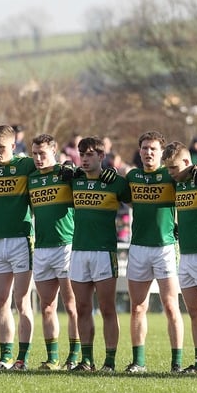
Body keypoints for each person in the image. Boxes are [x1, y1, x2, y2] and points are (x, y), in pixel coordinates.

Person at [123, 131, 184, 373]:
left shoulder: (171, 176)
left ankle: (177, 363)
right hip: (138, 247)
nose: (148, 153)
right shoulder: (132, 177)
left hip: (165, 248)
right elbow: (125, 199)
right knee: (138, 307)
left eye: (153, 149)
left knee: (171, 306)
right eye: (145, 148)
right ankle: (138, 362)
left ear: (161, 153)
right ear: (139, 152)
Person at [69, 136, 131, 372]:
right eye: (81, 155)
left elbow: (140, 200)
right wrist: (65, 169)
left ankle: (110, 362)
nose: (84, 159)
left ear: (101, 156)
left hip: (104, 251)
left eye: (89, 155)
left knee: (107, 308)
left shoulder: (113, 182)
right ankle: (86, 360)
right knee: (82, 308)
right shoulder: (74, 180)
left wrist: (117, 175)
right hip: (78, 252)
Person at [0, 124, 37, 370]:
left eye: (1, 147)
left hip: (22, 240)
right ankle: (5, 357)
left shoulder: (25, 165)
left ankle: (22, 359)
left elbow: (50, 165)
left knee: (22, 301)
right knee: (0, 301)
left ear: (14, 146)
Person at [27, 134, 81, 370]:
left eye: (43, 154)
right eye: (35, 154)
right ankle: (52, 358)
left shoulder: (66, 174)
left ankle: (75, 356)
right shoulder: (31, 179)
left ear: (54, 151)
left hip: (66, 245)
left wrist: (72, 166)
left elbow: (87, 177)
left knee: (72, 306)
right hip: (42, 247)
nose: (38, 159)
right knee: (47, 306)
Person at [163, 141, 197, 374]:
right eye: (168, 168)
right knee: (194, 310)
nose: (170, 173)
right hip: (186, 254)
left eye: (173, 168)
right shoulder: (179, 185)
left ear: (187, 162)